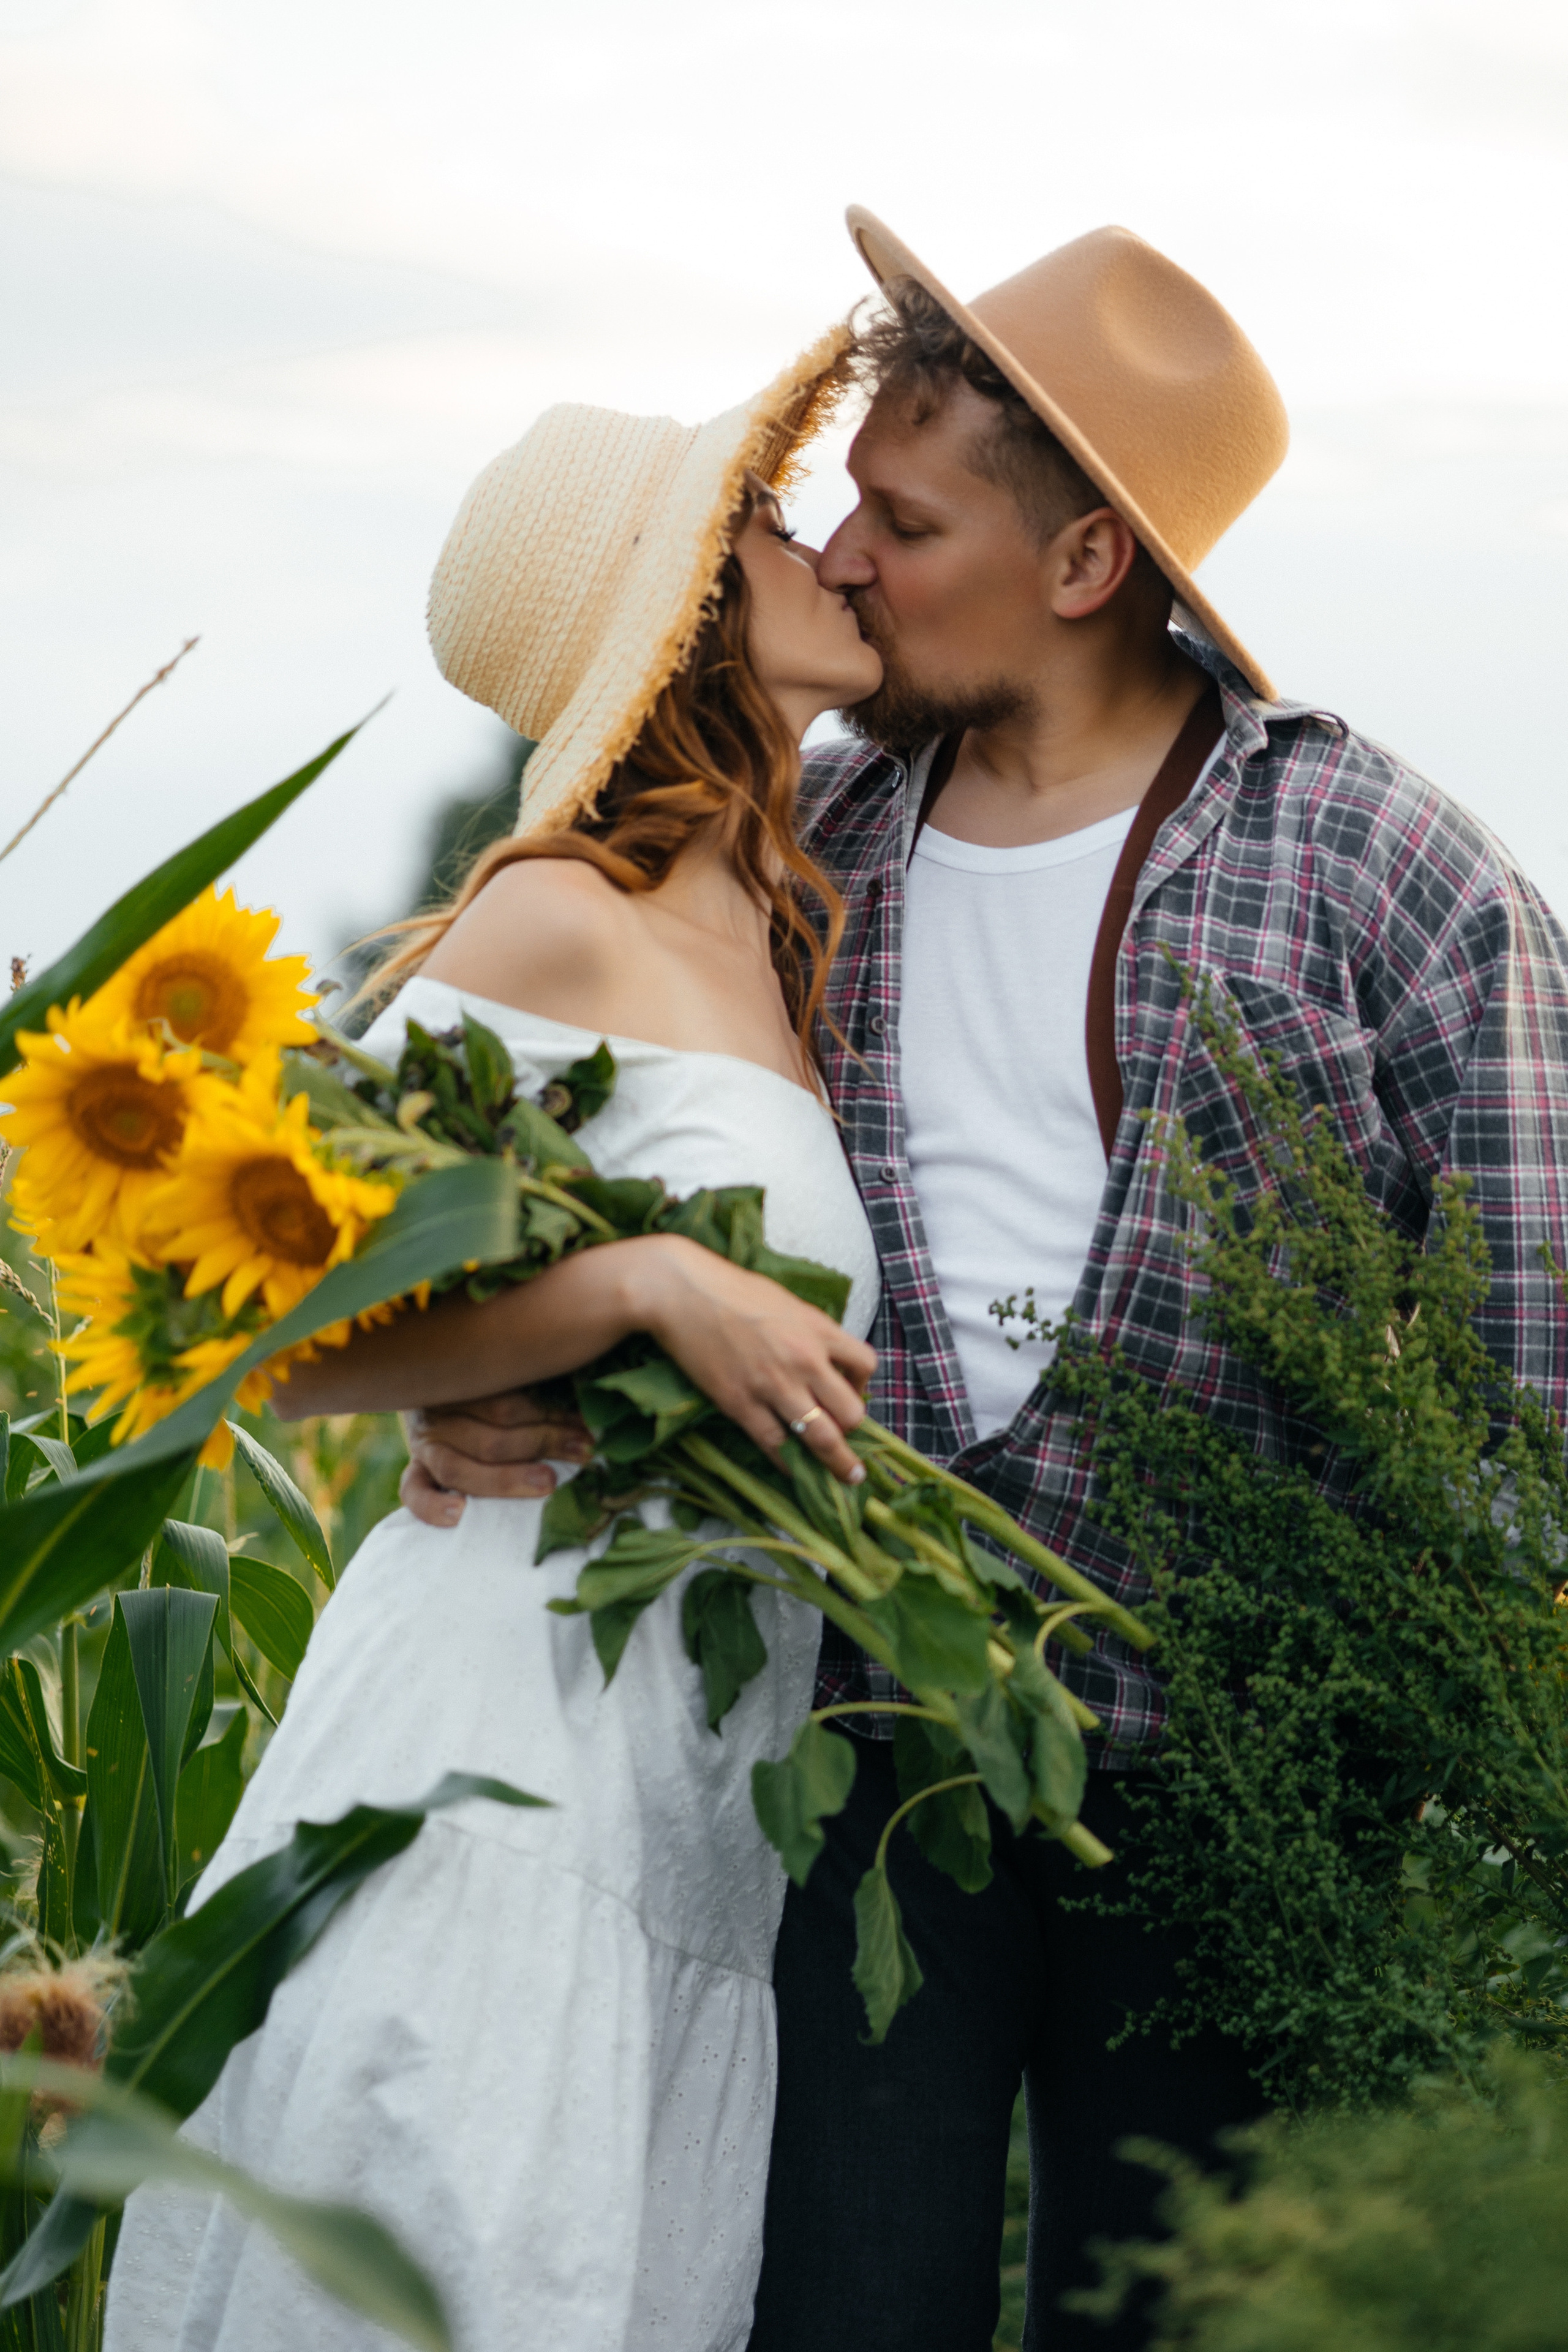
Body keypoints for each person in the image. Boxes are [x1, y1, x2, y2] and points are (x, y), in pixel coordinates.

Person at [404, 211, 1568, 2351]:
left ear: (1083, 568)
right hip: (869, 1762)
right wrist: (453, 1386)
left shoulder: (1383, 867)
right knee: (847, 2306)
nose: (842, 556)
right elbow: (585, 1183)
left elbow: (1541, 1354)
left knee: (1186, 2313)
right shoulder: (802, 852)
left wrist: (1463, 1758)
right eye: (841, 505)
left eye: (901, 517)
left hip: (1238, 1802)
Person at [104, 328, 886, 2352]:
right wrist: (638, 1286)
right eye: (772, 523)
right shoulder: (554, 911)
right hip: (499, 1763)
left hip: (686, 1809)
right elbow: (248, 1324)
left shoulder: (777, 930)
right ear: (696, 608)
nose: (829, 547)